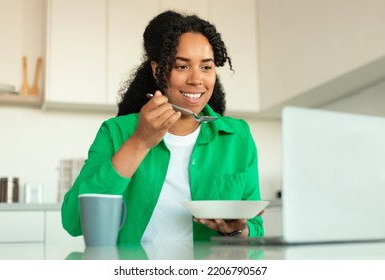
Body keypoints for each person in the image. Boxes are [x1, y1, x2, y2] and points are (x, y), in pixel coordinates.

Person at [61, 10, 264, 243]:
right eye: (181, 66)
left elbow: (256, 226)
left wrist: (238, 231)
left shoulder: (237, 136)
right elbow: (74, 221)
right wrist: (139, 142)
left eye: (206, 67)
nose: (196, 79)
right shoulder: (116, 132)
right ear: (158, 70)